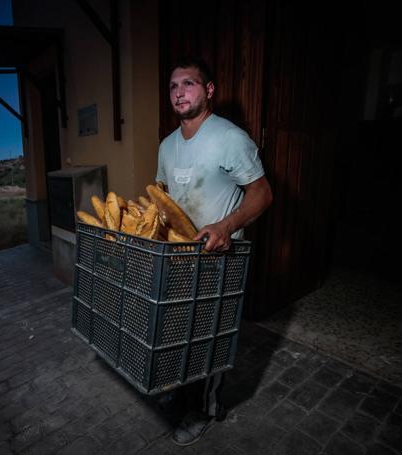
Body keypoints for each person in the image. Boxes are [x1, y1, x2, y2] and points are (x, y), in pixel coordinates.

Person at [156, 57, 273, 446]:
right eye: (173, 86)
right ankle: (186, 391)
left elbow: (263, 194)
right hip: (179, 257)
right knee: (180, 331)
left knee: (211, 337)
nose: (178, 92)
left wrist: (226, 226)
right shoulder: (167, 146)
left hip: (220, 258)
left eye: (188, 84)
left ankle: (206, 407)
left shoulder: (230, 138)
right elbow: (164, 197)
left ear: (208, 91)